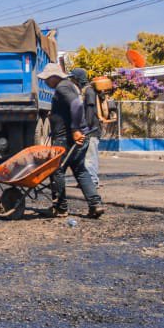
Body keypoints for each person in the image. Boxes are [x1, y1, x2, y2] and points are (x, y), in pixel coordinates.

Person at [39, 63, 104, 219]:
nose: (45, 82)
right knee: (80, 170)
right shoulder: (68, 86)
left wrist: (75, 129)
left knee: (56, 170)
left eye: (47, 79)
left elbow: (76, 105)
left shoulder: (62, 87)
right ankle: (95, 204)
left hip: (66, 138)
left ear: (54, 77)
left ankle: (60, 208)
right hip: (78, 136)